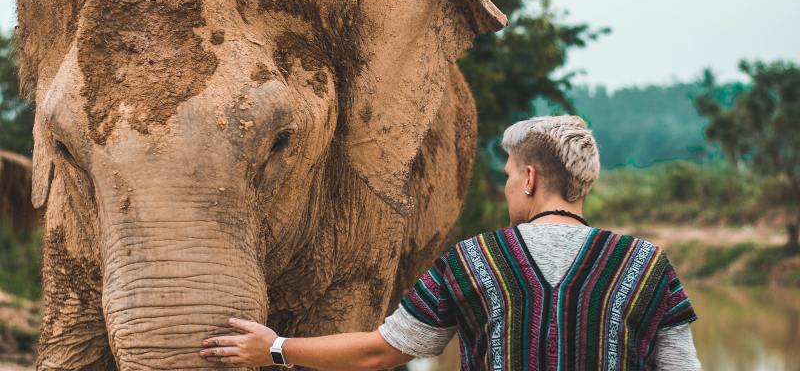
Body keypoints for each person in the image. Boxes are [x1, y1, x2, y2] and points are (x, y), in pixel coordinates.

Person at [199, 115, 702, 370]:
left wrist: (277, 349)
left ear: (528, 178)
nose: (505, 186)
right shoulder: (647, 265)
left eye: (507, 174)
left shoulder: (472, 260)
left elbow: (382, 353)